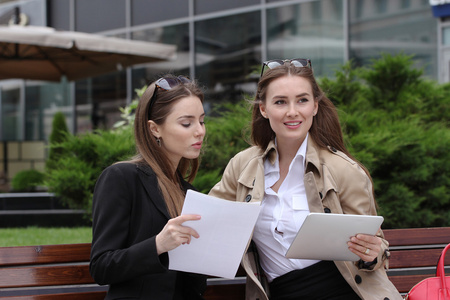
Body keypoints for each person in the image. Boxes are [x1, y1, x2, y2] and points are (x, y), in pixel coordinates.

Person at [209, 59, 402, 300]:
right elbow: (208, 221)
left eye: (302, 100)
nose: (293, 111)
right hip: (281, 291)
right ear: (263, 109)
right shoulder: (242, 165)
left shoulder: (343, 169)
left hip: (344, 290)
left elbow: (377, 246)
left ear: (315, 106)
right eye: (280, 102)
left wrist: (371, 252)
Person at [90, 75, 207, 299]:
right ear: (154, 129)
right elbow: (101, 266)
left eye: (201, 121)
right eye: (186, 123)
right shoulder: (121, 178)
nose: (199, 131)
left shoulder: (188, 192)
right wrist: (158, 244)